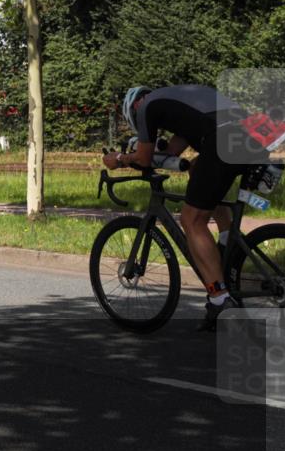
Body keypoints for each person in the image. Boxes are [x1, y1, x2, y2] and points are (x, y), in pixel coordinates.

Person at [103, 85, 270, 330]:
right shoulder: (178, 102)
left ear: (135, 107)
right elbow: (171, 152)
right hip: (251, 134)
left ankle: (220, 299)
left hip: (224, 139)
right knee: (197, 169)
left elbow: (144, 159)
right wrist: (152, 150)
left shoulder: (146, 107)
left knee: (191, 220)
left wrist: (118, 159)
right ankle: (227, 244)